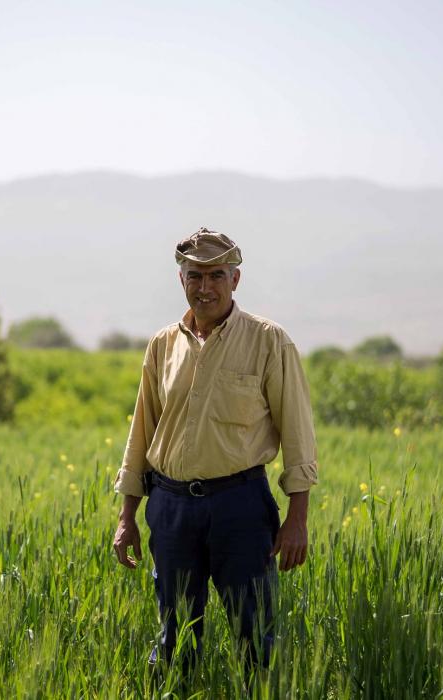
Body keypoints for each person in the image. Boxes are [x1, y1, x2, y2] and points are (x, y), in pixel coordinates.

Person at [112, 227, 319, 674]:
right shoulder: (162, 345)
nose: (205, 287)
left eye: (216, 276)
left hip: (240, 508)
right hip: (169, 508)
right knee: (174, 638)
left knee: (255, 638)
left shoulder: (269, 341)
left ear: (235, 280)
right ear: (181, 280)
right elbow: (141, 434)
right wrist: (127, 516)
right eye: (195, 276)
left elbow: (298, 434)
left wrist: (297, 518)